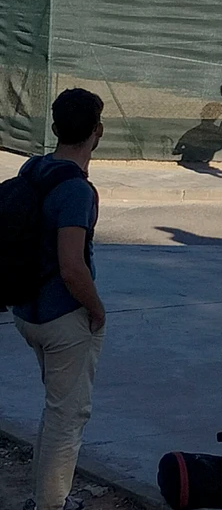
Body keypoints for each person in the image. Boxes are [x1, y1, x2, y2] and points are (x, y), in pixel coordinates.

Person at [10, 88, 107, 510]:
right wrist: (96, 309)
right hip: (62, 317)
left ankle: (46, 496)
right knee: (68, 417)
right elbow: (72, 265)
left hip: (26, 309)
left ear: (54, 128)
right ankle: (51, 504)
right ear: (97, 131)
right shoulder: (76, 191)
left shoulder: (34, 168)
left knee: (55, 410)